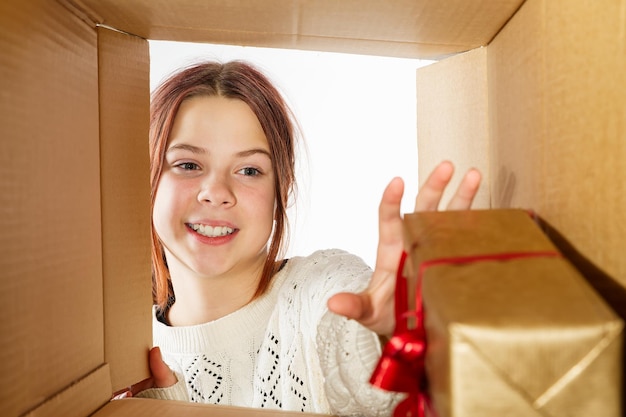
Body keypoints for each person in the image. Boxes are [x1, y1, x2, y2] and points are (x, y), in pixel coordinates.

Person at [119, 60, 481, 416]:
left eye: (249, 170)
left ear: (281, 193)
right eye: (188, 165)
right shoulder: (119, 359)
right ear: (145, 181)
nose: (216, 192)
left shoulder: (316, 289)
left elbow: (350, 344)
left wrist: (389, 337)